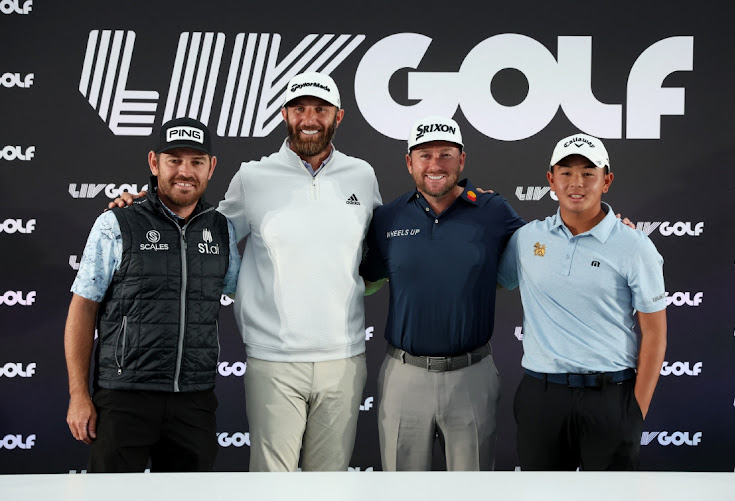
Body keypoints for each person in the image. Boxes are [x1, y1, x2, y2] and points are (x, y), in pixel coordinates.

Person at [110, 72, 380, 471]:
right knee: (272, 485)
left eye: (320, 109)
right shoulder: (253, 177)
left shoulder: (363, 174)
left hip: (345, 358)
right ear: (285, 114)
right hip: (273, 359)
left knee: (331, 485)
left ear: (338, 116)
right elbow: (201, 228)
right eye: (299, 108)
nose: (310, 117)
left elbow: (378, 250)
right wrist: (144, 204)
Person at [65, 117, 241, 472]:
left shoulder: (223, 230)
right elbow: (82, 310)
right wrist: (79, 395)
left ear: (211, 167)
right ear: (154, 162)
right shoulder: (117, 223)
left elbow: (245, 294)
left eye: (196, 161)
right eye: (174, 160)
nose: (185, 171)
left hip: (194, 399)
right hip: (123, 397)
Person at [360, 116, 525, 471]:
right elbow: (364, 279)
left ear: (461, 160)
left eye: (446, 154)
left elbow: (548, 247)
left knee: (471, 493)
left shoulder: (493, 211)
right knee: (402, 493)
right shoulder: (388, 217)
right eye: (425, 155)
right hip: (404, 375)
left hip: (472, 374)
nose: (435, 165)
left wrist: (606, 226)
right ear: (409, 162)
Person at [497, 133, 667, 471]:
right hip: (541, 396)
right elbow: (498, 280)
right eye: (567, 172)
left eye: (589, 173)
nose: (577, 183)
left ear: (607, 180)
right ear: (551, 180)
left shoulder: (634, 246)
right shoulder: (527, 238)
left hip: (611, 396)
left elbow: (655, 334)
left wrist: (635, 412)